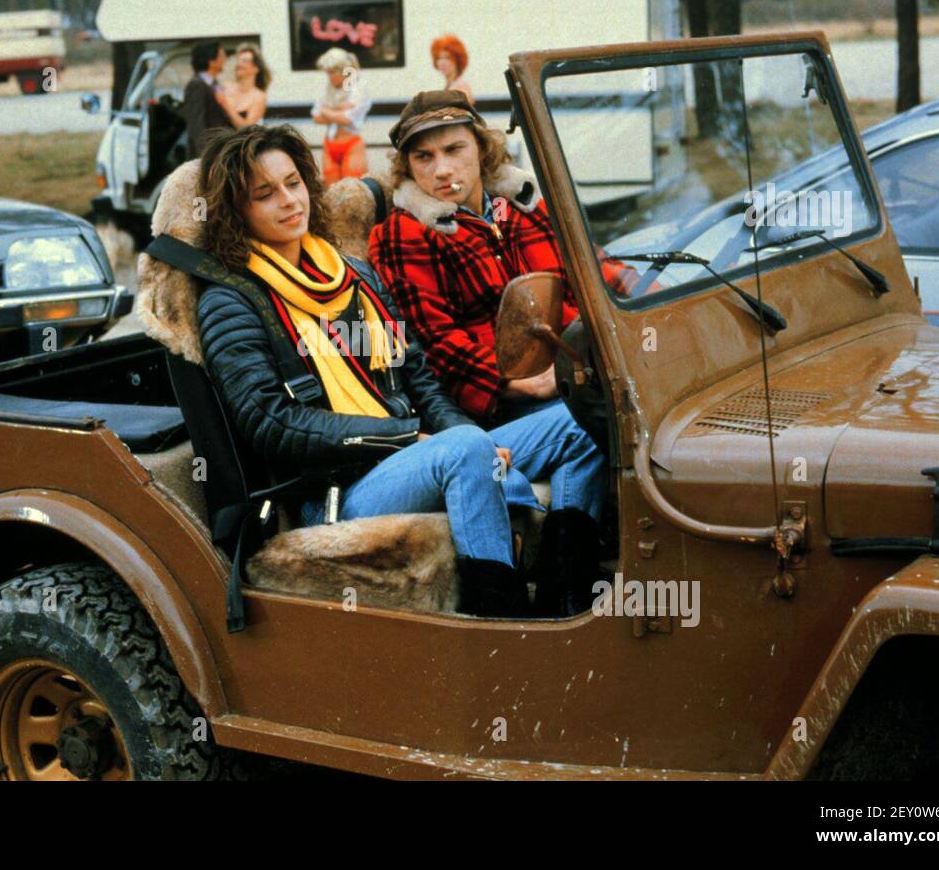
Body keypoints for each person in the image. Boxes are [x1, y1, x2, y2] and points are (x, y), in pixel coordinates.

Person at [193, 124, 593, 616]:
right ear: (237, 212)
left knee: (588, 415)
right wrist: (410, 438)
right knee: (466, 448)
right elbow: (272, 423)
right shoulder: (230, 300)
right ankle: (503, 618)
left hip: (412, 454)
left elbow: (420, 381)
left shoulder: (351, 274)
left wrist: (459, 435)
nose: (288, 200)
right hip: (336, 490)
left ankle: (566, 594)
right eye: (264, 193)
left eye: (293, 183)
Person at [369, 90, 633, 611]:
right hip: (485, 411)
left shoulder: (525, 207)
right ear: (407, 166)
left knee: (611, 398)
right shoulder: (403, 233)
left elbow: (589, 274)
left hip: (568, 374)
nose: (442, 169)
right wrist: (510, 381)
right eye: (424, 157)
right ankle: (565, 586)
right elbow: (431, 343)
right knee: (594, 417)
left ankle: (566, 580)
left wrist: (642, 297)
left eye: (454, 149)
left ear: (482, 149)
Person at [310, 48, 370, 183]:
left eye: (332, 73)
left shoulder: (358, 88)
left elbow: (347, 119)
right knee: (331, 193)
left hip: (351, 144)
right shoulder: (329, 88)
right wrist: (337, 108)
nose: (329, 77)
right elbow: (315, 116)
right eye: (328, 73)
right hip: (329, 143)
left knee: (353, 192)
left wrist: (326, 109)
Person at [183, 39, 233, 158]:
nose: (225, 59)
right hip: (207, 154)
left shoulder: (213, 83)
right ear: (211, 61)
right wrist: (203, 157)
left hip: (218, 150)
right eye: (221, 55)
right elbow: (196, 126)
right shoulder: (196, 85)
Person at [215, 42, 270, 129]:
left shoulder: (259, 97)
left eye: (245, 61)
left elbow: (246, 129)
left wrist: (226, 105)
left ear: (256, 68)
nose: (239, 64)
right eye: (238, 60)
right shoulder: (225, 86)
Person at [431, 34, 474, 106]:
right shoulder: (450, 85)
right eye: (439, 58)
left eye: (447, 57)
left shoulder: (461, 88)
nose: (442, 63)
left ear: (457, 60)